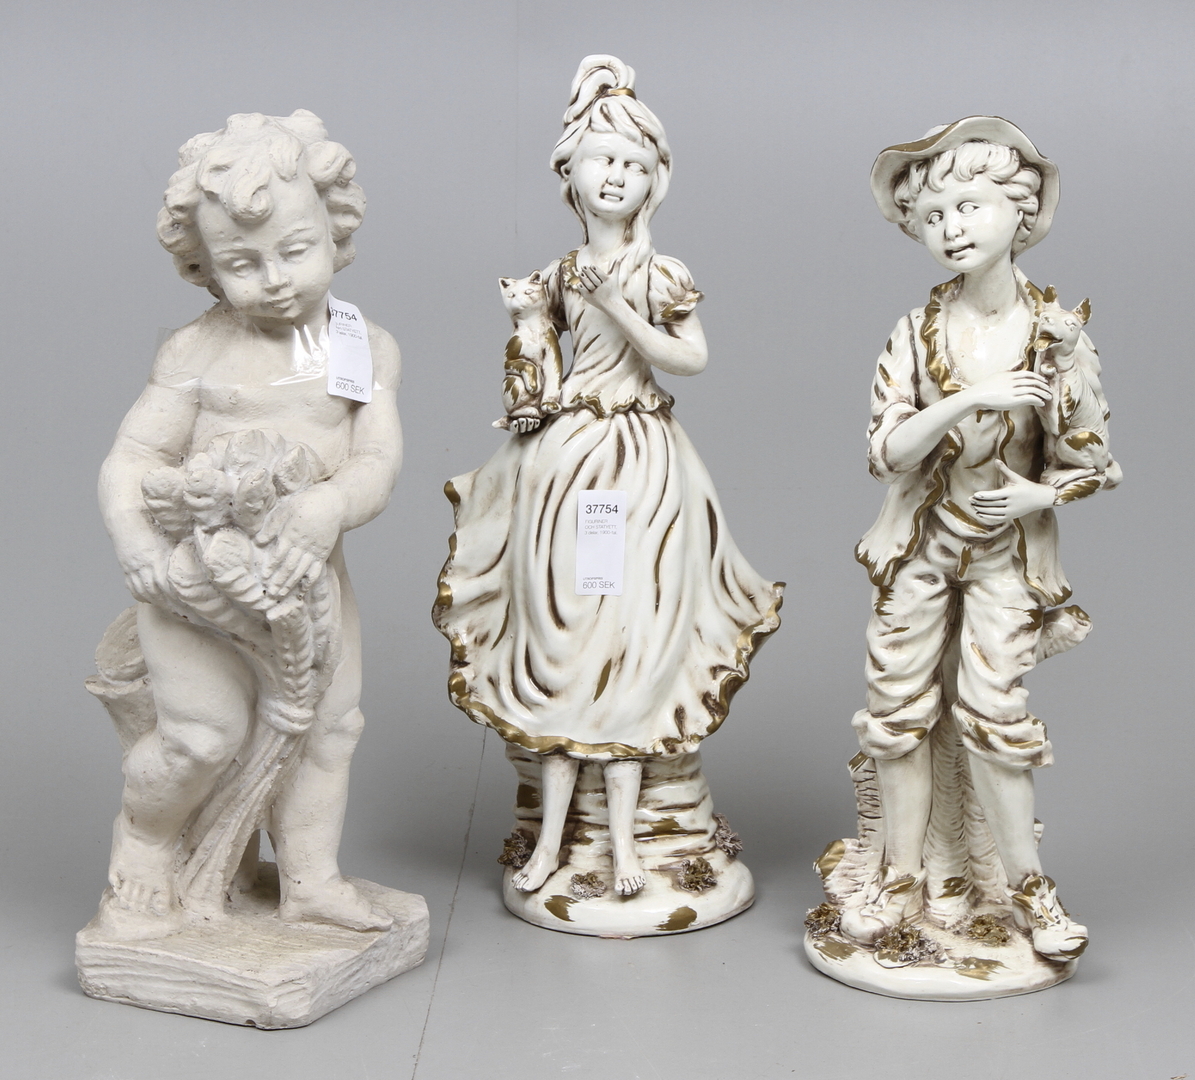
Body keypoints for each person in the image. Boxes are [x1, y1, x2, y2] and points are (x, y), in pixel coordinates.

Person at [434, 56, 782, 899]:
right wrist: (527, 383)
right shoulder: (556, 276)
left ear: (656, 179)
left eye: (633, 163)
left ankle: (629, 846)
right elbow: (539, 364)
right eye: (602, 159)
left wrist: (620, 305)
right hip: (564, 466)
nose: (617, 175)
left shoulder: (659, 273)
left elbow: (689, 359)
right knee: (562, 633)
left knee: (632, 636)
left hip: (638, 464)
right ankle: (557, 841)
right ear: (570, 175)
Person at [97, 111, 401, 937]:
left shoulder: (360, 346)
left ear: (335, 230)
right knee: (201, 737)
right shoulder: (195, 353)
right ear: (203, 266)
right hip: (193, 583)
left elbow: (377, 459)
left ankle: (310, 879)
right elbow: (132, 457)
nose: (274, 279)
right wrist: (135, 541)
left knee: (330, 730)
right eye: (241, 262)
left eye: (295, 250)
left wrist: (329, 505)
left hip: (305, 580)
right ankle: (145, 843)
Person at [842, 117, 1119, 961]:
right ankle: (900, 875)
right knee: (895, 711)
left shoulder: (1054, 334)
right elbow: (885, 452)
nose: (950, 228)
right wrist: (969, 398)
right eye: (931, 217)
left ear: (1020, 211)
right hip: (918, 546)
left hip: (1004, 555)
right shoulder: (912, 332)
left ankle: (1026, 886)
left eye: (968, 206)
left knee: (996, 716)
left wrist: (1039, 492)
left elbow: (1096, 464)